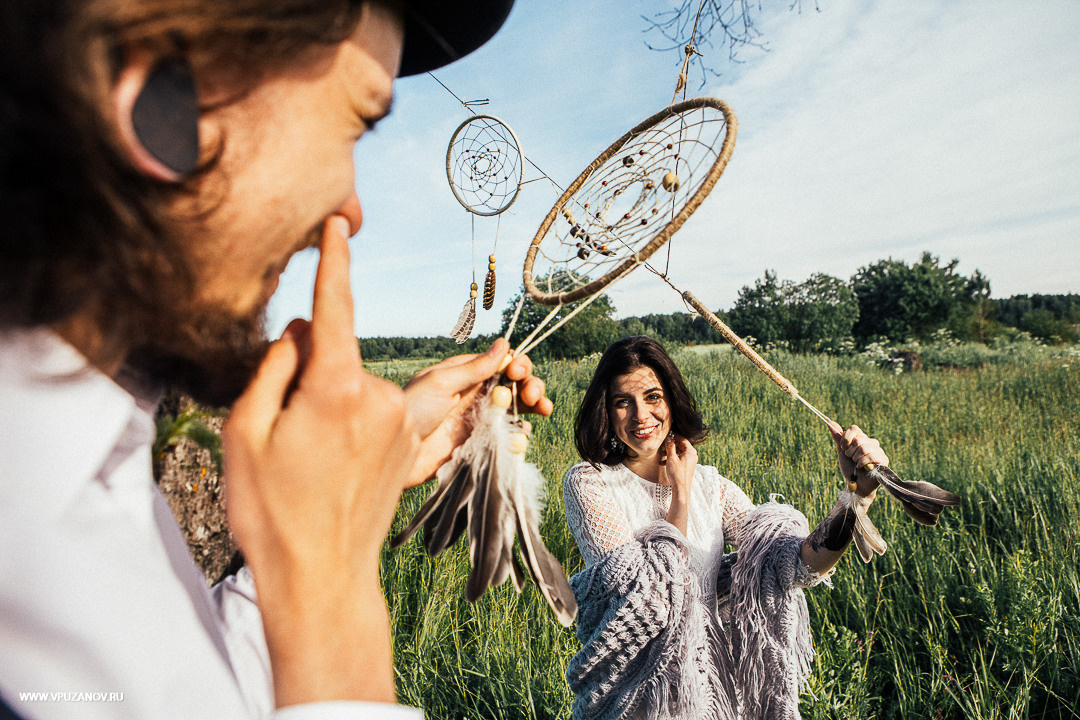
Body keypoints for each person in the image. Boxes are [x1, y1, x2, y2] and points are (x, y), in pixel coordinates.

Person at [0, 1, 553, 718]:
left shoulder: (84, 468)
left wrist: (330, 517)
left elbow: (196, 691)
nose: (352, 210)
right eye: (359, 120)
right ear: (164, 101)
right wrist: (332, 601)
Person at [562, 336, 889, 720]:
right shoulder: (590, 483)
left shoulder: (712, 486)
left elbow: (797, 564)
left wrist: (857, 496)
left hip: (709, 693)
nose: (640, 416)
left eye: (653, 397)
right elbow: (648, 597)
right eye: (623, 402)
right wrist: (680, 493)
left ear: (671, 399)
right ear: (606, 409)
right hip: (631, 697)